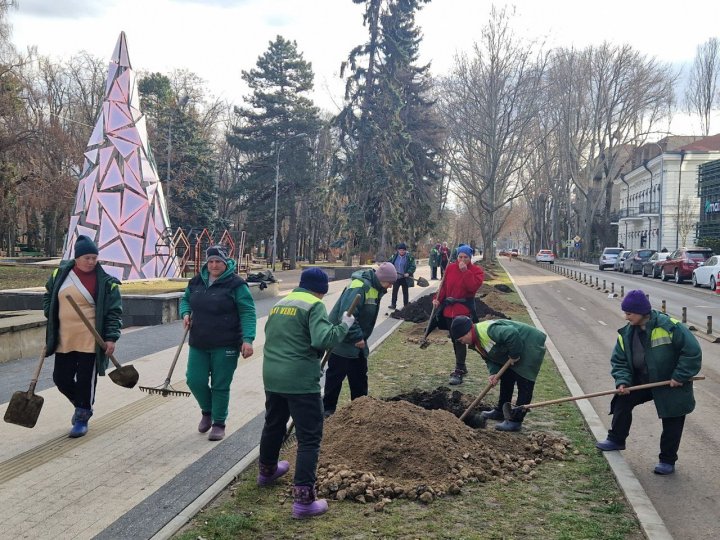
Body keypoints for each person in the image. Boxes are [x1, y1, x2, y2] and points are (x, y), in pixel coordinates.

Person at [258, 268, 355, 519]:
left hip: (272, 374)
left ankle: (267, 471)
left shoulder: (281, 303)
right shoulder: (315, 305)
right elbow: (323, 340)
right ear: (322, 289)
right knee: (309, 437)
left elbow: (272, 335)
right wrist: (343, 326)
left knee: (273, 424)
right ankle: (304, 501)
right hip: (300, 380)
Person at [595, 290, 702, 475]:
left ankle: (667, 460)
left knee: (673, 418)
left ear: (641, 312)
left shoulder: (671, 327)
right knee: (622, 400)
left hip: (670, 382)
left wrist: (680, 376)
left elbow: (692, 352)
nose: (626, 317)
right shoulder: (626, 333)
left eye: (629, 313)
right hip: (642, 381)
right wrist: (623, 381)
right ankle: (616, 439)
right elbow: (619, 361)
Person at [43, 235, 122, 438]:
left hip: (91, 340)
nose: (91, 261)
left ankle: (82, 416)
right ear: (77, 258)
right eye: (87, 257)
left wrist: (111, 338)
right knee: (60, 379)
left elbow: (114, 312)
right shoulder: (59, 274)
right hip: (64, 338)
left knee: (86, 380)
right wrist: (49, 313)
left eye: (94, 257)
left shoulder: (106, 282)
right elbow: (48, 295)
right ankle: (82, 405)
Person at [179, 245, 256, 441]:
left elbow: (247, 312)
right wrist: (185, 313)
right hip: (199, 341)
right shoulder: (196, 281)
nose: (214, 265)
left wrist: (248, 339)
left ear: (225, 262)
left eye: (218, 261)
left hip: (226, 343)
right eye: (211, 261)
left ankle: (219, 423)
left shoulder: (236, 284)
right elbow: (185, 300)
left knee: (220, 385)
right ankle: (207, 411)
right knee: (194, 380)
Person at [322, 262, 397, 417]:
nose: (390, 287)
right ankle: (327, 412)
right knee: (335, 379)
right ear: (382, 278)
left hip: (358, 345)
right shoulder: (359, 286)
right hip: (342, 342)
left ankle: (361, 411)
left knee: (359, 378)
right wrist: (357, 336)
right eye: (390, 283)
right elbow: (346, 315)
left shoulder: (375, 288)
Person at [450, 316, 547, 432]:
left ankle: (515, 421)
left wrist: (514, 354)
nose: (462, 343)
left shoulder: (488, 331)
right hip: (512, 348)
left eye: (461, 340)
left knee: (524, 383)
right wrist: (494, 373)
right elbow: (489, 358)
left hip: (529, 344)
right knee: (506, 377)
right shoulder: (475, 341)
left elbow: (511, 333)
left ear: (467, 332)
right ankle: (501, 410)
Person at [432, 245, 485, 385]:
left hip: (464, 310)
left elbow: (472, 287)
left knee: (460, 339)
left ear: (470, 258)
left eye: (465, 257)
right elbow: (443, 287)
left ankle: (459, 369)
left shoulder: (476, 271)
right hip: (449, 309)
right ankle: (461, 365)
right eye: (460, 257)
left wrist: (465, 272)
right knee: (454, 339)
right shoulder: (450, 268)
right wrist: (437, 299)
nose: (462, 260)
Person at [388, 242, 416, 310]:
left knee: (405, 292)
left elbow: (413, 266)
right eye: (400, 250)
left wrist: (408, 273)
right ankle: (393, 304)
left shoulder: (409, 257)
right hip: (396, 277)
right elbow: (389, 263)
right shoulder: (394, 256)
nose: (402, 251)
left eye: (403, 250)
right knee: (394, 291)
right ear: (398, 250)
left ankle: (406, 305)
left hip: (404, 278)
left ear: (405, 250)